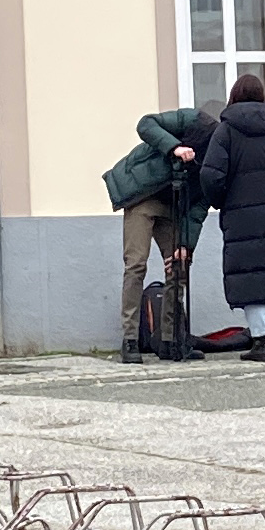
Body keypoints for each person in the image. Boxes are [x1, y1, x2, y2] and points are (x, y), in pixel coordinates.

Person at [193, 71, 265, 361]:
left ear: (234, 96)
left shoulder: (226, 131)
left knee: (249, 277)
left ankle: (259, 343)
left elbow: (210, 174)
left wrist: (222, 200)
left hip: (240, 217)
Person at [101, 103, 215, 360]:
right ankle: (130, 339)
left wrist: (185, 244)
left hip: (172, 208)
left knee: (178, 265)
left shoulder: (217, 165)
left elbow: (198, 207)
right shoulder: (194, 121)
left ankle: (169, 340)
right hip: (142, 196)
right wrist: (174, 147)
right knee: (136, 264)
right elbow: (146, 124)